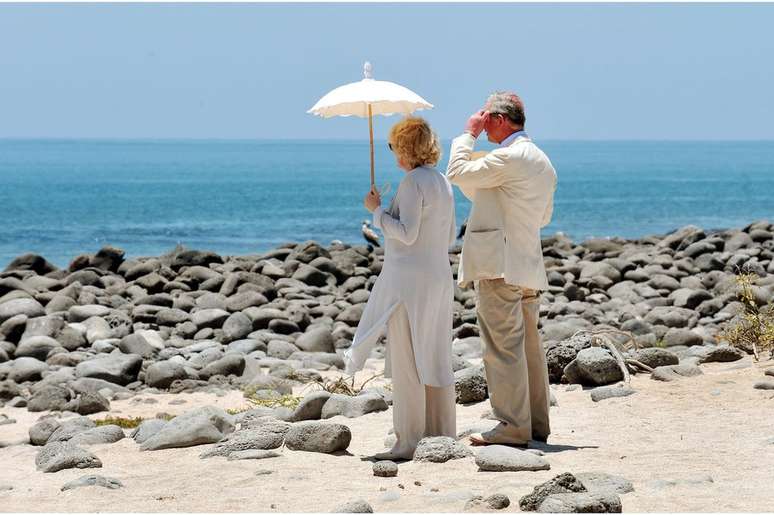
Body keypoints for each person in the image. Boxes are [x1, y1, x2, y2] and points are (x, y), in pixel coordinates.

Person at [446, 91, 557, 447]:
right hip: (526, 262)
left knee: (502, 347)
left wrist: (468, 134)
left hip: (500, 264)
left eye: (487, 117)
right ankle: (535, 422)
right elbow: (544, 217)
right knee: (528, 347)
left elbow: (456, 171)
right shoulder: (541, 160)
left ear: (498, 119)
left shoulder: (509, 157)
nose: (483, 122)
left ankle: (511, 425)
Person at [344, 116, 457, 460]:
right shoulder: (442, 181)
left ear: (405, 148)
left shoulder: (412, 183)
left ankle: (408, 440)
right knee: (435, 354)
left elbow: (405, 233)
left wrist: (376, 211)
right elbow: (449, 235)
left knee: (408, 359)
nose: (392, 151)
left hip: (409, 282)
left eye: (393, 145)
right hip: (438, 275)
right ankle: (440, 432)